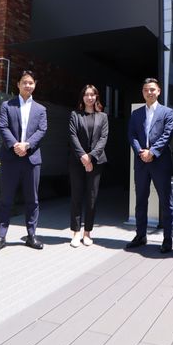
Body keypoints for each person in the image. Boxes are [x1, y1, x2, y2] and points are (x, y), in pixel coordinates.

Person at [0, 70, 48, 254]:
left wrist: (27, 145)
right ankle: (1, 237)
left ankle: (31, 235)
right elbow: (3, 126)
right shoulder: (7, 105)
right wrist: (15, 145)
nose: (27, 85)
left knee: (32, 200)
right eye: (24, 82)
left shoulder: (41, 109)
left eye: (31, 82)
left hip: (32, 159)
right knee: (6, 199)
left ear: (35, 85)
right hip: (10, 158)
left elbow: (42, 130)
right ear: (18, 84)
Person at [126, 78, 173, 253]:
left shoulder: (167, 112)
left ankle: (168, 239)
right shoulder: (136, 114)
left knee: (166, 201)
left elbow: (167, 134)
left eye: (153, 89)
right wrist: (141, 152)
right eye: (146, 90)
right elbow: (131, 135)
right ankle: (140, 235)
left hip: (160, 162)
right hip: (141, 162)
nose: (149, 92)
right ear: (143, 92)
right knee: (140, 200)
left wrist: (152, 152)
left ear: (159, 91)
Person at [68, 84, 109, 247]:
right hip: (77, 161)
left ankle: (87, 233)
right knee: (76, 196)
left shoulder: (103, 117)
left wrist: (90, 157)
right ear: (82, 97)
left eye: (92, 94)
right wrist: (83, 157)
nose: (89, 97)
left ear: (96, 96)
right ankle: (76, 233)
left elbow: (103, 138)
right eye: (86, 94)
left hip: (96, 162)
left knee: (92, 198)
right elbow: (72, 136)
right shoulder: (75, 115)